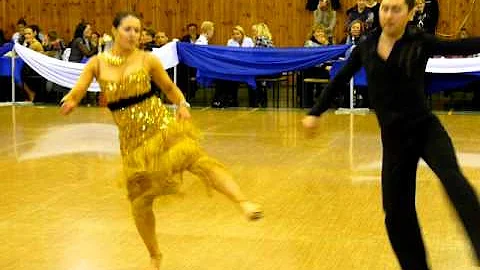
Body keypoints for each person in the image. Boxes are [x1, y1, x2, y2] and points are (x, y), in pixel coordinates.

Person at [60, 11, 262, 270]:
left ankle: (242, 202)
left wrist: (181, 103)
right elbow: (79, 90)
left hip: (160, 125)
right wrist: (71, 101)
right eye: (128, 29)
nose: (134, 35)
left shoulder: (147, 60)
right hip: (133, 142)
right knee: (141, 202)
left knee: (198, 161)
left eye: (137, 30)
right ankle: (155, 255)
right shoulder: (97, 63)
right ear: (115, 31)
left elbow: (169, 88)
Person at [302, 0, 480, 268]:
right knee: (396, 213)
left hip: (425, 130)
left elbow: (458, 47)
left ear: (409, 13)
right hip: (394, 140)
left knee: (455, 184)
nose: (389, 15)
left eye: (396, 9)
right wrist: (316, 112)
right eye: (385, 9)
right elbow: (340, 80)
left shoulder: (419, 41)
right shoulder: (366, 46)